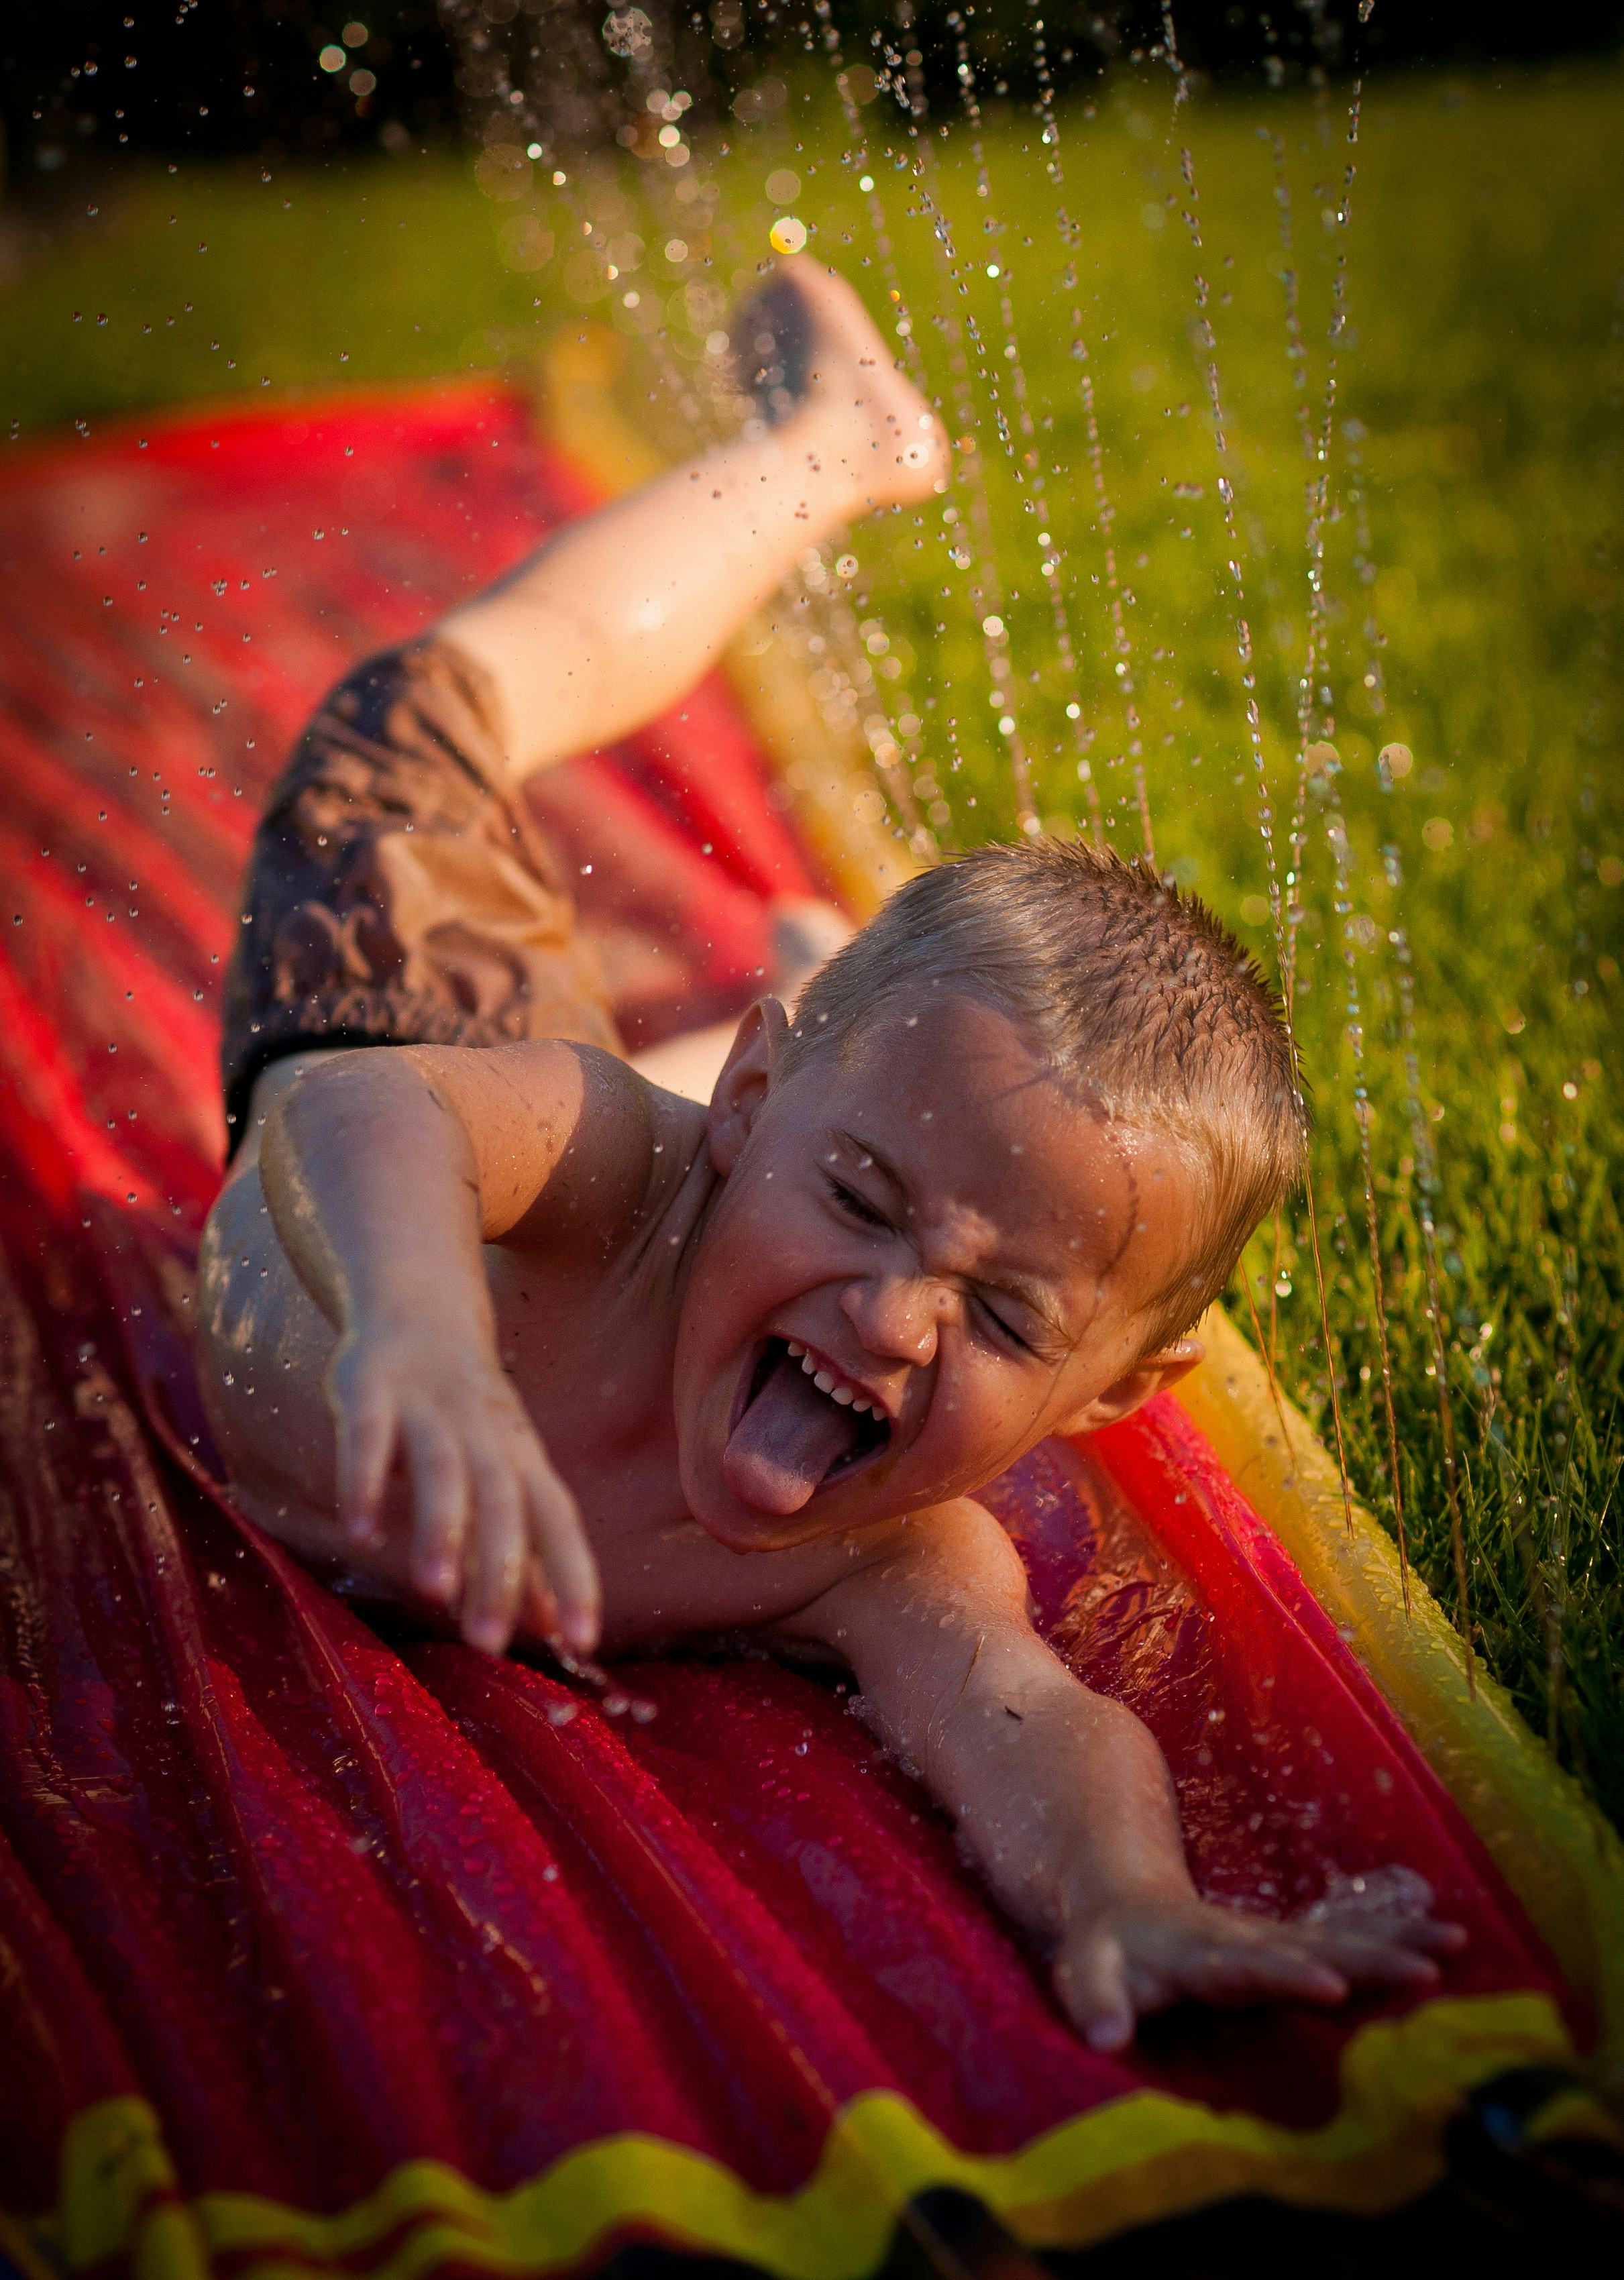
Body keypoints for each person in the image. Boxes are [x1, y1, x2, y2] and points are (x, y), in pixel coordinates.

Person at [197, 258, 1462, 2053]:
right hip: (424, 984)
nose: (888, 1322)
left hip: (670, 1104)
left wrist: (1132, 1900)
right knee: (431, 713)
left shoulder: (892, 1561)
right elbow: (356, 1109)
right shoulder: (614, 1178)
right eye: (866, 1206)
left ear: (1121, 1391)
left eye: (1009, 1315)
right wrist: (414, 1330)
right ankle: (830, 443)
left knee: (778, 1148)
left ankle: (803, 1027)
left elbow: (1030, 1722)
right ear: (744, 1121)